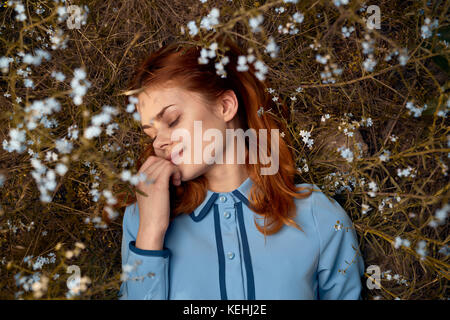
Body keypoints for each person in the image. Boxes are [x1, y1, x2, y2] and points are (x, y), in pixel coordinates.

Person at [115, 35, 365, 300]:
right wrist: (151, 231)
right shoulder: (141, 217)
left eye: (173, 120)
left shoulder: (318, 215)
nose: (161, 142)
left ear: (225, 106)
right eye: (151, 134)